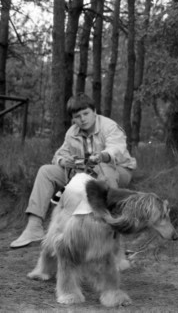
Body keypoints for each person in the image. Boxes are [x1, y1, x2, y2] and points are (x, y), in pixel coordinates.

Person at [10, 94, 137, 249]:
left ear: (94, 111)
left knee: (103, 168)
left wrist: (102, 156)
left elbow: (116, 149)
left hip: (117, 170)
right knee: (46, 171)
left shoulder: (109, 126)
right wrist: (64, 161)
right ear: (73, 119)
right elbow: (59, 154)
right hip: (84, 173)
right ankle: (34, 227)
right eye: (77, 116)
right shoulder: (72, 132)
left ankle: (110, 234)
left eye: (86, 114)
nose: (82, 119)